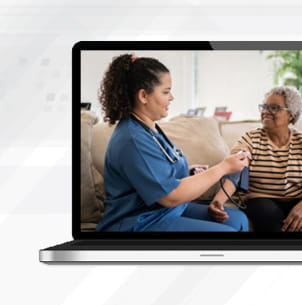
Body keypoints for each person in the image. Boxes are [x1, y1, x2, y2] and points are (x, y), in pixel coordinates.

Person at [95, 54, 249, 232]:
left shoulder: (149, 128)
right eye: (166, 92)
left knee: (237, 220)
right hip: (140, 221)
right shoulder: (133, 139)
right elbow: (171, 196)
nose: (172, 98)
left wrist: (190, 172)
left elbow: (157, 171)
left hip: (163, 211)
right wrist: (223, 168)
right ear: (144, 96)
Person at [208, 86, 302, 232]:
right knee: (268, 214)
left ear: (291, 115)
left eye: (274, 107)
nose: (266, 111)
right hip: (261, 199)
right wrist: (218, 201)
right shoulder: (250, 139)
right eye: (265, 107)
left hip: (298, 197)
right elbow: (235, 169)